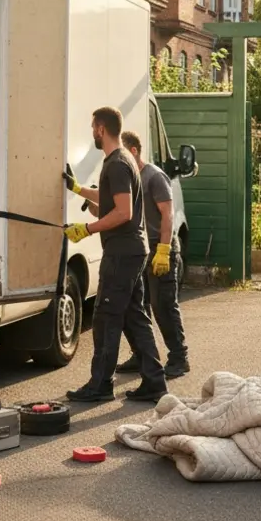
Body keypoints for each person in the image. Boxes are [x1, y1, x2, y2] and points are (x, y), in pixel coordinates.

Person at [60, 107, 167, 403]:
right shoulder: (122, 160)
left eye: (93, 127)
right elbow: (109, 198)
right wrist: (78, 189)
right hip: (132, 252)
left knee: (107, 317)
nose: (92, 132)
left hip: (121, 253)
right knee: (134, 317)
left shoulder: (118, 163)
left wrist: (87, 228)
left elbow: (123, 211)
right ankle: (155, 382)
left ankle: (100, 385)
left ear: (101, 128)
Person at [113, 130, 189, 378]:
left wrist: (165, 250)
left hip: (161, 248)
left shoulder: (155, 176)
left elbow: (167, 214)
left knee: (163, 306)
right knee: (135, 307)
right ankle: (141, 354)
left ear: (134, 151)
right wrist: (79, 190)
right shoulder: (130, 178)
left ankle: (179, 358)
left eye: (123, 154)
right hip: (141, 250)